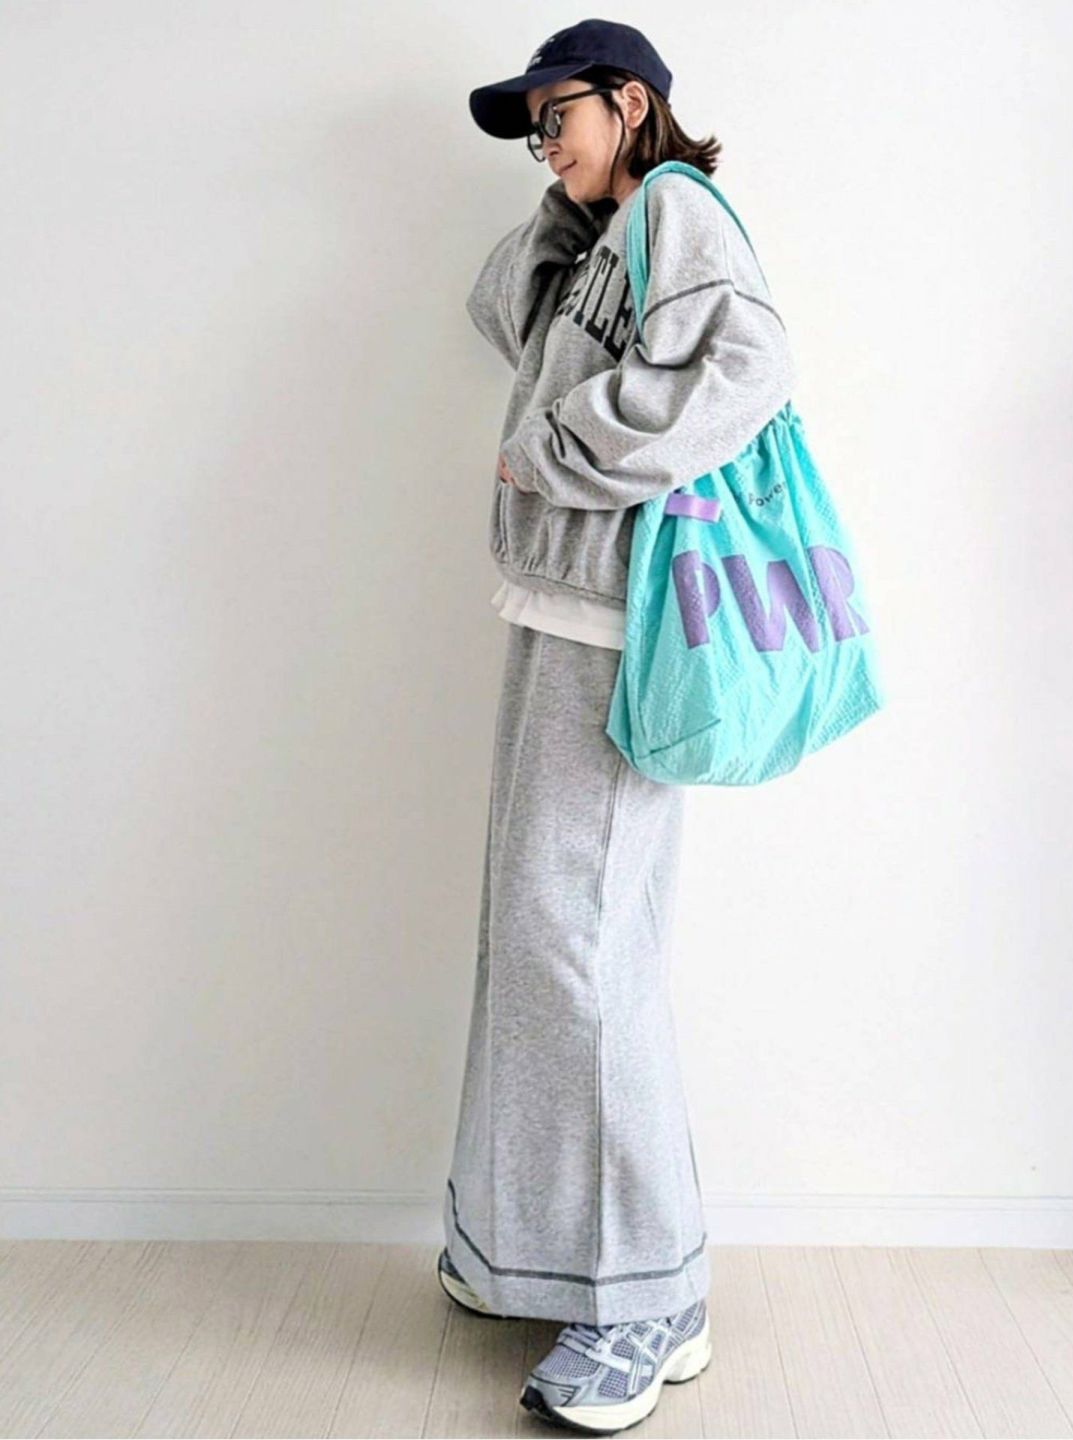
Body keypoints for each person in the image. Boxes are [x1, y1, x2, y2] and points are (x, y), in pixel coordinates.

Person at [439, 19, 796, 1434]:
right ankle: (530, 1251)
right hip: (558, 613)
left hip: (615, 625)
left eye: (560, 117)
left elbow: (751, 362)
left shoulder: (678, 209)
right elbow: (497, 316)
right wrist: (568, 204)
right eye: (532, 128)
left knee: (575, 945)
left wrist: (558, 448)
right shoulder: (609, 230)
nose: (544, 143)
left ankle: (652, 1299)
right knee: (547, 940)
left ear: (631, 100)